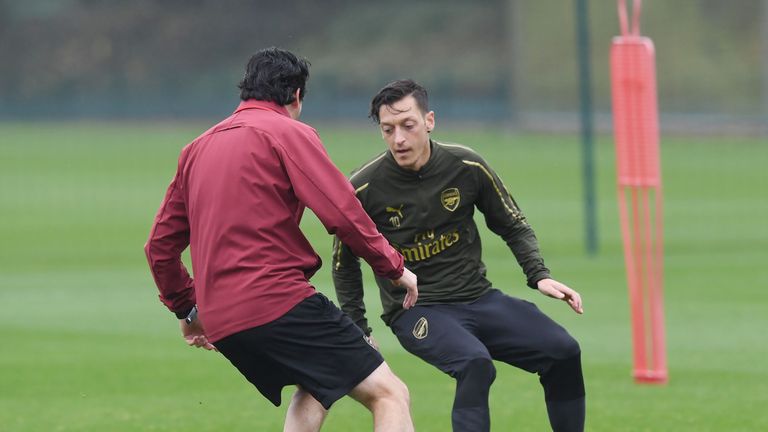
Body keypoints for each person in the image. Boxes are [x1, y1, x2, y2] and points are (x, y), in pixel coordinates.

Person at [144, 48, 418, 432]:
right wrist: (394, 267)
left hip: (223, 321)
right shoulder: (289, 132)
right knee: (389, 393)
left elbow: (159, 248)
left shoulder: (196, 148)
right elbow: (341, 211)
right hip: (276, 301)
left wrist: (188, 310)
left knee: (317, 383)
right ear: (296, 96)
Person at [332, 79, 586, 432]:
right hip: (417, 312)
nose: (399, 139)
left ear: (429, 120)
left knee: (564, 351)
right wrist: (359, 327)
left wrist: (538, 274)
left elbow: (512, 224)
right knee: (475, 364)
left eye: (408, 126)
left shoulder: (467, 165)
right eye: (388, 130)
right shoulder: (363, 187)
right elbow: (345, 263)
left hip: (478, 299)